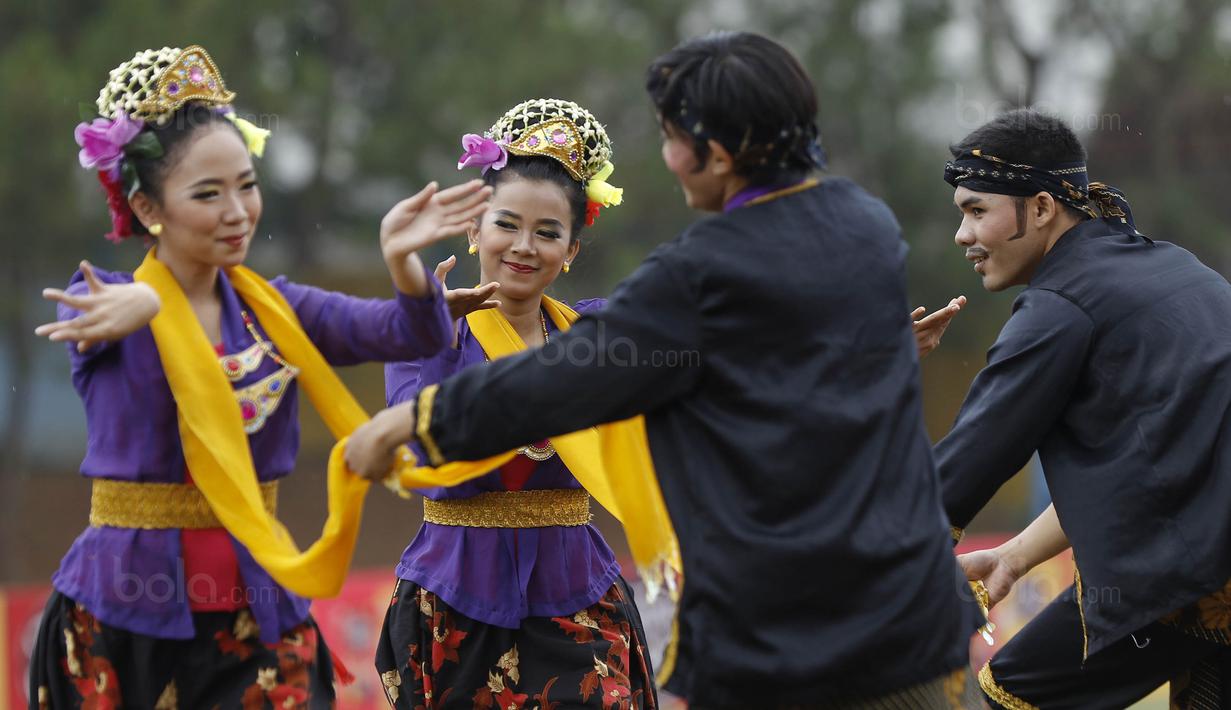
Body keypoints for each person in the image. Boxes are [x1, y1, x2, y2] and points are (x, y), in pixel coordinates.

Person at [347, 33, 983, 708]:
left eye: (673, 137)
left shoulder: (695, 275)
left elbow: (571, 374)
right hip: (914, 618)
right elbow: (769, 356)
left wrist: (414, 421)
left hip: (790, 636)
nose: (668, 157)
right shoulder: (869, 225)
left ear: (716, 154)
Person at [29, 45, 489, 709]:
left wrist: (401, 262)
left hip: (257, 607)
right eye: (207, 194)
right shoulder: (104, 300)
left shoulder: (276, 310)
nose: (237, 210)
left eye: (246, 186)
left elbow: (404, 332)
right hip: (125, 612)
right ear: (149, 207)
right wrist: (147, 303)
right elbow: (89, 319)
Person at [935, 108, 1231, 708]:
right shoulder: (1176, 266)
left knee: (1004, 695)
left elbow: (963, 467)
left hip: (1194, 574)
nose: (963, 235)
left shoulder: (1060, 306)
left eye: (977, 211)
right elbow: (1155, 472)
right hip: (1208, 562)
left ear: (1042, 208)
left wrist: (853, 570)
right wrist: (1015, 556)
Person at [371, 97, 659, 709]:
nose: (524, 246)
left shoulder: (593, 337)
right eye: (507, 225)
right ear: (474, 229)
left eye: (548, 233)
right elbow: (428, 460)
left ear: (571, 251)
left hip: (578, 598)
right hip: (455, 603)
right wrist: (437, 342)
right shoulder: (424, 332)